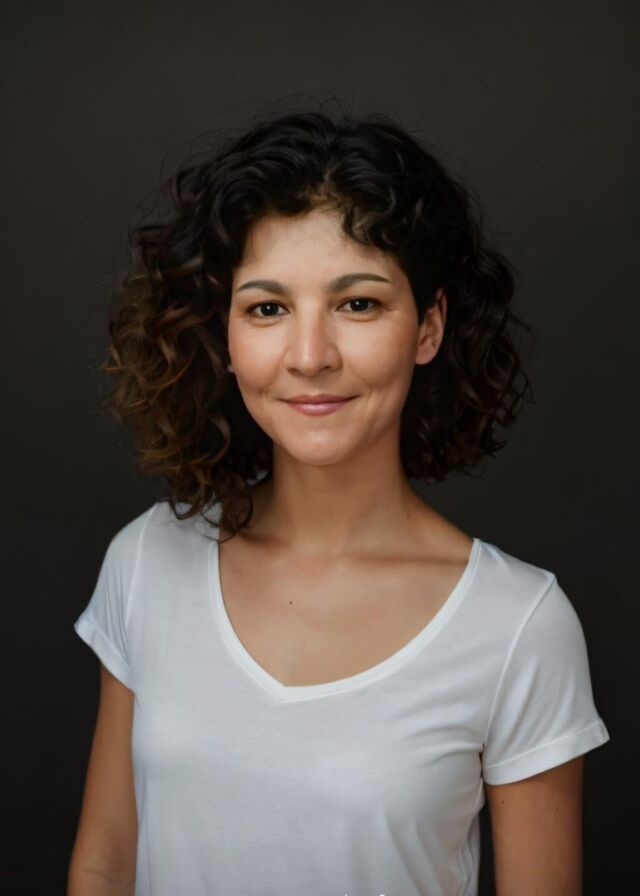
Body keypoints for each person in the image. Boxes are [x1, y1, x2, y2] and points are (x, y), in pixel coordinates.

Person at [68, 104, 610, 896]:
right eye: (267, 308)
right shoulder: (147, 560)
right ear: (226, 336)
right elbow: (105, 863)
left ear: (427, 328)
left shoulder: (519, 625)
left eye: (358, 304)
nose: (310, 356)